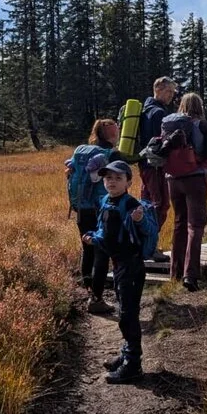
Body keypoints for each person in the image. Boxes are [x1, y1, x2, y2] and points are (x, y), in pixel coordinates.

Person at [91, 160, 156, 384]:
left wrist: (139, 221)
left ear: (129, 181)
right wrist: (93, 237)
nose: (112, 182)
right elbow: (106, 231)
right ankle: (127, 353)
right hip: (119, 264)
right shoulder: (106, 201)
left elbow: (146, 229)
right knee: (124, 311)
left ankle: (133, 365)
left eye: (118, 178)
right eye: (108, 178)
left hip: (132, 265)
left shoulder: (131, 204)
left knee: (128, 315)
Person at [66, 118, 124, 315]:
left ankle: (89, 289)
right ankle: (97, 300)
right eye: (115, 129)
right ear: (112, 133)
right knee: (102, 251)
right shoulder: (112, 154)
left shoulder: (81, 150)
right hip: (102, 209)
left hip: (81, 208)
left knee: (87, 249)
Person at [164, 93, 207, 292]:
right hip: (195, 177)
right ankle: (191, 275)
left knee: (179, 223)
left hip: (173, 179)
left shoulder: (170, 123)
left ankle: (175, 273)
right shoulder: (204, 125)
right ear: (200, 106)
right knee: (196, 225)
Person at [138, 76, 177, 262]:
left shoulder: (144, 110)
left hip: (144, 165)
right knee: (159, 205)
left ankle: (142, 245)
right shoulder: (159, 113)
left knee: (146, 204)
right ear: (159, 89)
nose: (171, 96)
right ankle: (149, 247)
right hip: (155, 166)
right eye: (169, 91)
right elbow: (161, 143)